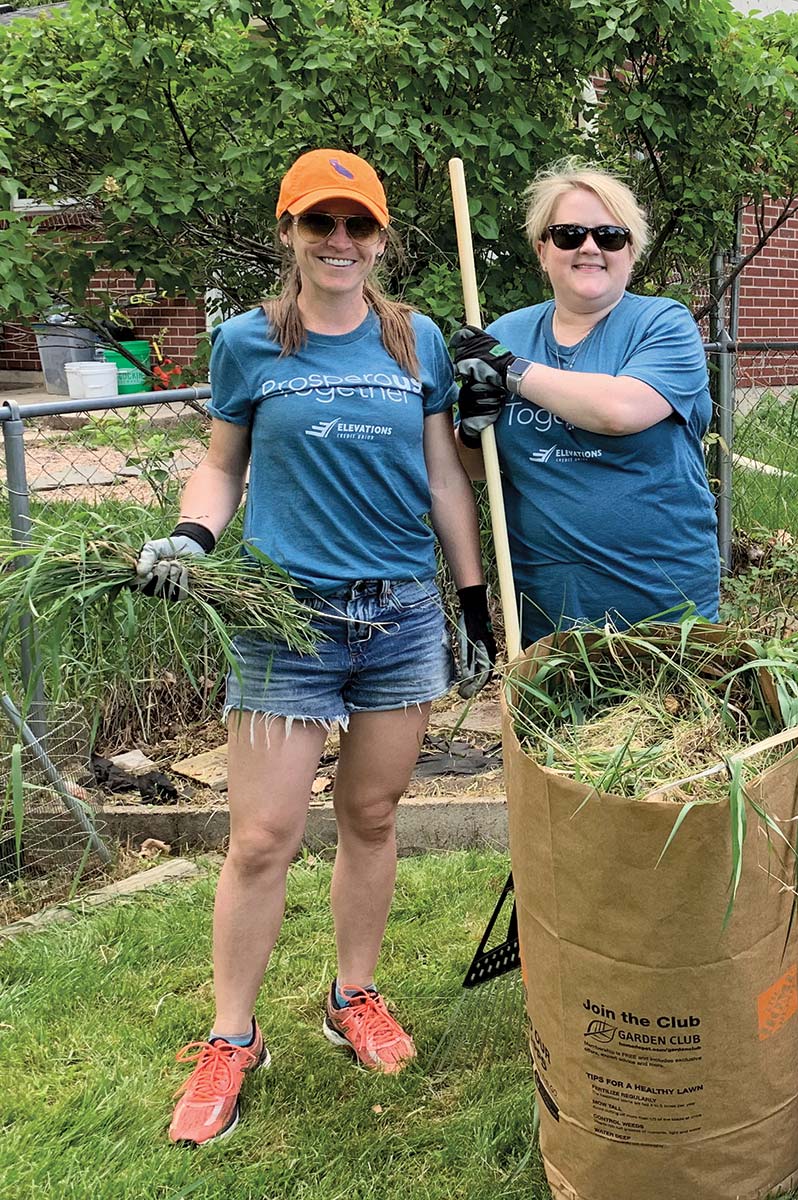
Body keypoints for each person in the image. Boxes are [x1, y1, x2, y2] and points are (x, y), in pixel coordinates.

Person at [138, 149, 495, 1146]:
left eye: (357, 226)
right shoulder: (248, 343)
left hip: (397, 619)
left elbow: (443, 478)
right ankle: (230, 1037)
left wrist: (470, 602)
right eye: (319, 224)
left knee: (373, 816)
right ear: (290, 232)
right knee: (260, 840)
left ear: (381, 237)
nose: (339, 243)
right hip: (283, 614)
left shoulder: (413, 338)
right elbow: (220, 469)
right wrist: (190, 537)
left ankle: (353, 995)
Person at [446, 161, 718, 647]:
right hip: (548, 610)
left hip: (665, 606)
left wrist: (514, 373)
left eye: (609, 236)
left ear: (630, 252)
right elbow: (475, 467)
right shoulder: (506, 335)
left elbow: (620, 411)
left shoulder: (663, 324)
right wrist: (470, 425)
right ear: (542, 250)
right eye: (568, 234)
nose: (589, 247)